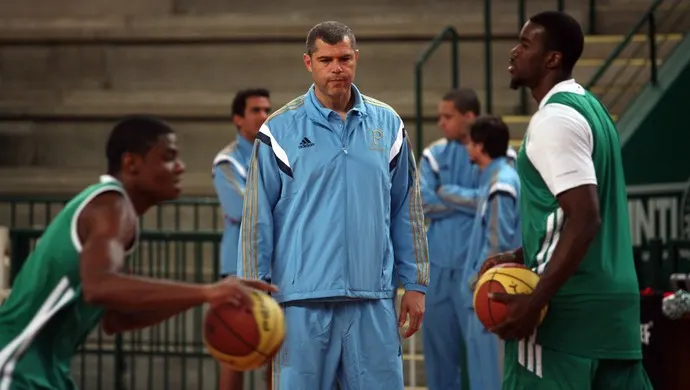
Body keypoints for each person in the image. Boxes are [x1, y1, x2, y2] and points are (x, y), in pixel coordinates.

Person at [0, 116, 275, 390]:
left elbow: (117, 318)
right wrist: (207, 291)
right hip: (15, 362)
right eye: (168, 157)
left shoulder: (113, 209)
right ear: (131, 163)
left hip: (43, 368)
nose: (180, 167)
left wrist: (202, 298)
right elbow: (99, 286)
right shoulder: (112, 205)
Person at [237, 21, 429, 390]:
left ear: (356, 58)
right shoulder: (279, 130)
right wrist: (253, 294)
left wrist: (416, 284)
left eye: (344, 58)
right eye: (326, 60)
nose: (336, 68)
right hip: (300, 301)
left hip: (372, 296)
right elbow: (255, 220)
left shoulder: (388, 124)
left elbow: (407, 208)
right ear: (308, 63)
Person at [475, 11, 652, 389]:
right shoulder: (594, 110)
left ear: (552, 59)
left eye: (525, 44)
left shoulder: (553, 119)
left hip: (565, 313)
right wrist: (523, 253)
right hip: (613, 309)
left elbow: (585, 217)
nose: (514, 51)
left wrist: (536, 299)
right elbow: (577, 214)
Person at [419, 88, 481, 390]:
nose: (441, 123)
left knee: (486, 358)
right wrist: (472, 204)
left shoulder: (499, 153)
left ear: (469, 117)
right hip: (439, 269)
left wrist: (448, 191)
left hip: (478, 269)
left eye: (448, 116)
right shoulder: (433, 154)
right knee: (440, 361)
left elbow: (494, 201)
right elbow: (422, 201)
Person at [212, 89, 271, 390]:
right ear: (238, 119)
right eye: (256, 110)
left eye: (267, 109)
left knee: (276, 350)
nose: (264, 116)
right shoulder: (227, 161)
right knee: (233, 350)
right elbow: (240, 209)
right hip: (237, 269)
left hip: (275, 268)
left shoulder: (278, 154)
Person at [461, 115, 521, 390]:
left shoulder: (502, 184)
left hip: (492, 293)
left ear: (480, 147)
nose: (466, 148)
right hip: (484, 292)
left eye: (470, 143)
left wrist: (478, 282)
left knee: (494, 378)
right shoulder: (495, 179)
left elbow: (499, 243)